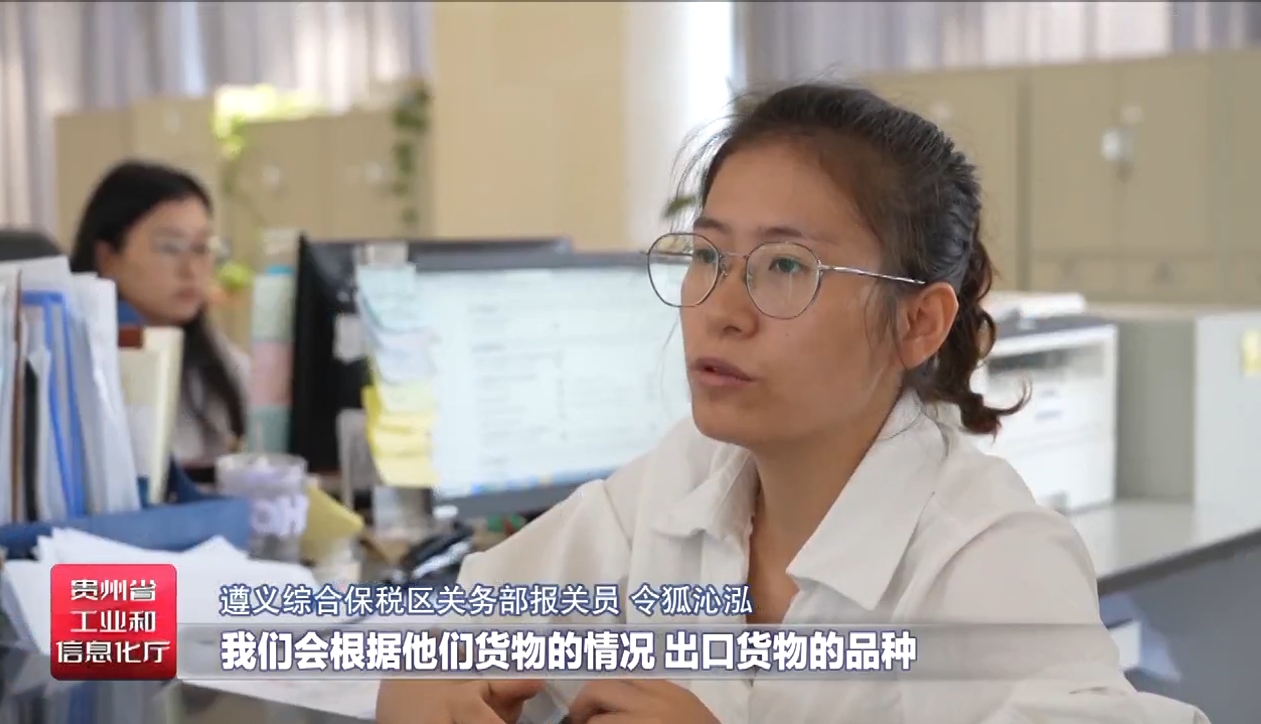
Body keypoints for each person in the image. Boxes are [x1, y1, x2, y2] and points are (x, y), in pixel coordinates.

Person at [376, 83, 1208, 723]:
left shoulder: (988, 560)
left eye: (786, 267)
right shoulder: (686, 480)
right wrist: (423, 680)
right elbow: (460, 627)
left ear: (918, 323)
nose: (721, 310)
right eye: (708, 256)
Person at [70, 160, 249, 470]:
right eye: (170, 247)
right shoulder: (78, 357)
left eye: (201, 248)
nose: (191, 269)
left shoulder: (212, 351)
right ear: (108, 258)